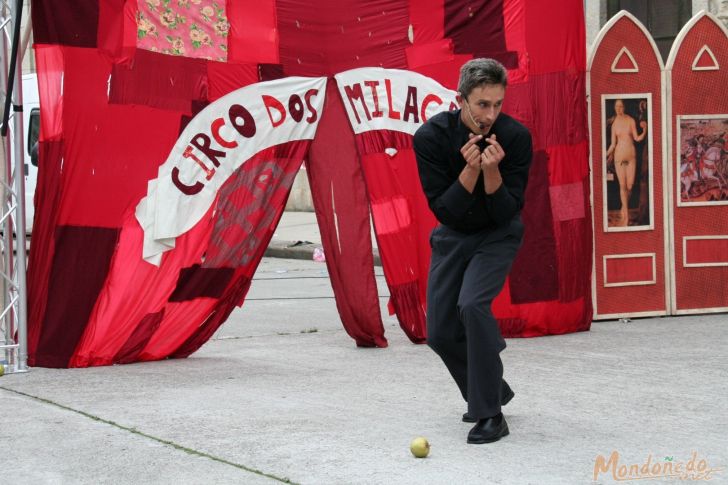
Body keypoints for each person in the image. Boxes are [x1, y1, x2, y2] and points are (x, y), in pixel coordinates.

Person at [413, 58, 532, 444]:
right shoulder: (430, 137)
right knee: (440, 334)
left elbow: (506, 210)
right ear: (461, 99)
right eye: (482, 104)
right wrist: (469, 171)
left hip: (498, 234)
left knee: (473, 306)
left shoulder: (514, 138)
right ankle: (493, 386)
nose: (490, 114)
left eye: (498, 104)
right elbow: (444, 210)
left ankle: (490, 414)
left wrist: (492, 171)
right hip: (453, 235)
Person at [605, 99, 647, 226]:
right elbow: (613, 144)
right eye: (616, 107)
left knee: (629, 186)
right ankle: (626, 217)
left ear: (624, 107)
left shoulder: (630, 121)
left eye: (621, 106)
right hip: (619, 156)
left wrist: (645, 130)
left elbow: (637, 138)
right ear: (614, 108)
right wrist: (604, 155)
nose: (619, 109)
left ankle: (624, 208)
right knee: (622, 186)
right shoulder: (614, 124)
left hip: (631, 156)